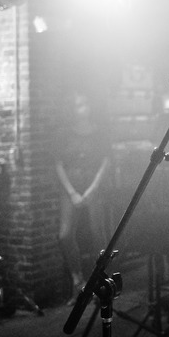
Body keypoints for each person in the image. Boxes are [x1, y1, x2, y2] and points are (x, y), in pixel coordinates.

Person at [55, 88, 112, 305]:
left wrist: (93, 189)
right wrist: (71, 192)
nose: (84, 108)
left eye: (85, 104)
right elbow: (58, 164)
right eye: (79, 105)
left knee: (98, 235)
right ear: (72, 109)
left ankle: (100, 283)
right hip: (70, 186)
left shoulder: (99, 132)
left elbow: (106, 161)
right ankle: (77, 282)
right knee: (65, 235)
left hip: (93, 186)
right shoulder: (63, 133)